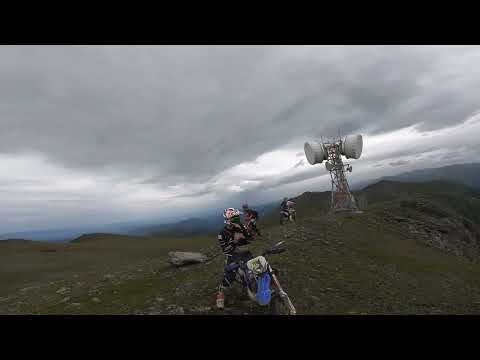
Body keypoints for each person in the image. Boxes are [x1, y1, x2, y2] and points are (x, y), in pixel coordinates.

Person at [216, 208, 255, 308]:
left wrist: (247, 234)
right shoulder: (222, 233)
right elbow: (225, 250)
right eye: (235, 218)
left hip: (246, 253)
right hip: (232, 256)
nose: (238, 219)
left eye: (238, 217)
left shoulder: (241, 226)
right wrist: (234, 242)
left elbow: (250, 239)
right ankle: (221, 293)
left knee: (253, 270)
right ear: (228, 220)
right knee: (230, 276)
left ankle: (249, 290)